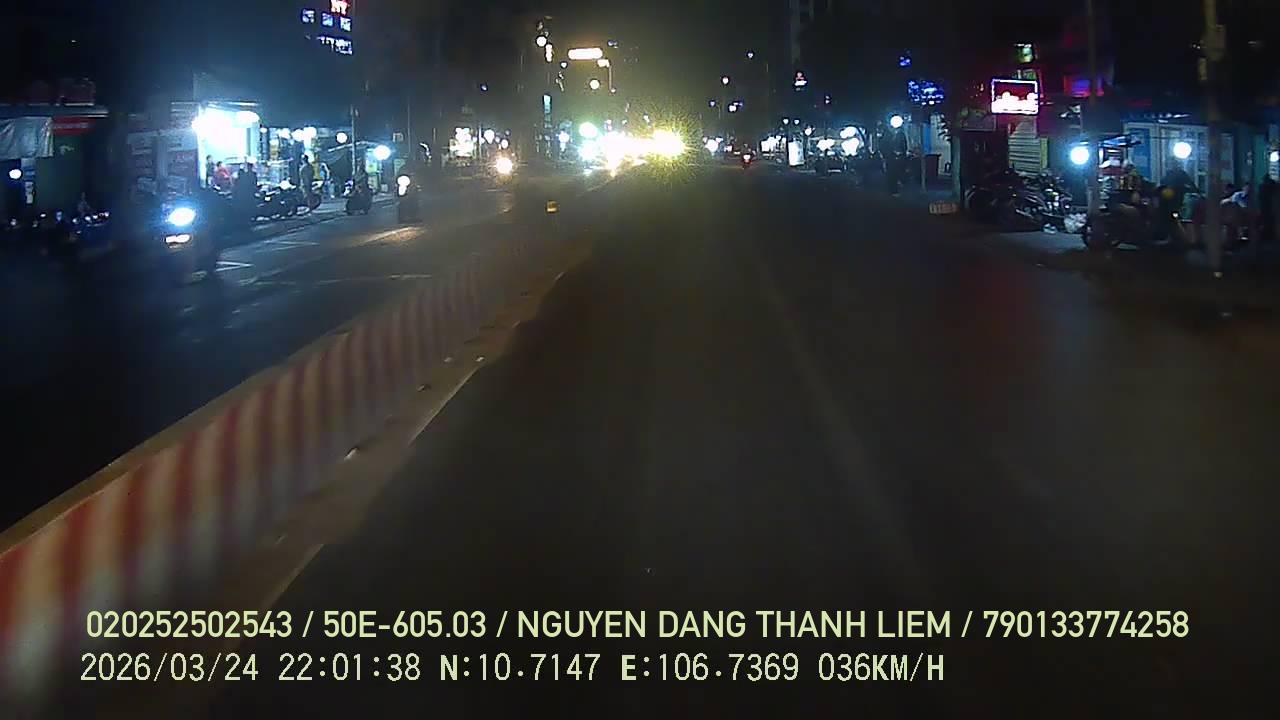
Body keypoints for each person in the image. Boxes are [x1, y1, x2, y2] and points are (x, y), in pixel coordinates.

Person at [1259, 174, 1277, 245]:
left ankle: (1267, 235)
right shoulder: (1272, 185)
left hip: (1265, 206)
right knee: (1269, 220)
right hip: (1269, 205)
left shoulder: (1262, 186)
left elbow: (1260, 196)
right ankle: (1269, 235)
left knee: (1266, 221)